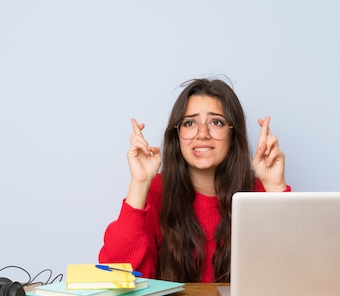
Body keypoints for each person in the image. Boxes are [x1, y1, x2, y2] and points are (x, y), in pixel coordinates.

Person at [98, 78, 290, 283]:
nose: (203, 134)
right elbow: (114, 280)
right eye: (190, 123)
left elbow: (296, 275)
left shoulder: (261, 194)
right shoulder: (154, 191)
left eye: (216, 122)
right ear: (177, 135)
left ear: (233, 135)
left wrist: (276, 188)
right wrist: (140, 183)